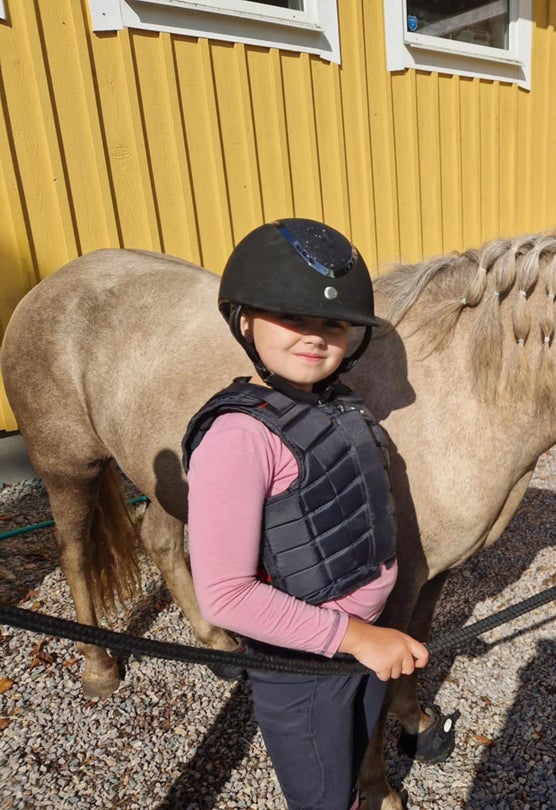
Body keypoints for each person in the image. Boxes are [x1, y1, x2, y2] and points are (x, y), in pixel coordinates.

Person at [182, 219, 435, 810]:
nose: (315, 337)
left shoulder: (338, 402)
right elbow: (224, 596)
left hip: (360, 648)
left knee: (349, 765)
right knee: (321, 794)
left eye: (333, 324)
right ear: (245, 319)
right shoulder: (239, 436)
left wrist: (369, 637)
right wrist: (356, 637)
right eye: (292, 317)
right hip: (302, 668)